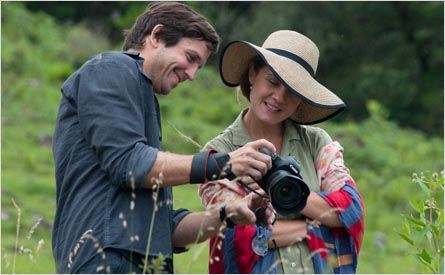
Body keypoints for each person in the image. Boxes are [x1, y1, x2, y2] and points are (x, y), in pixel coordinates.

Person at [52, 2, 277, 274]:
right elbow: (130, 163)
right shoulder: (111, 69)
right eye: (190, 57)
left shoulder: (140, 97)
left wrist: (227, 214)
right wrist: (225, 163)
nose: (192, 75)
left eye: (199, 66)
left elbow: (165, 229)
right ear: (156, 36)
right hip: (104, 259)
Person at [199, 30, 365, 273]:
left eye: (293, 91)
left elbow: (350, 208)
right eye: (273, 81)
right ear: (253, 73)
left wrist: (288, 194)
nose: (278, 97)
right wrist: (312, 225)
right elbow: (238, 236)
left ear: (302, 99)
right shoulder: (219, 153)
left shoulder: (316, 142)